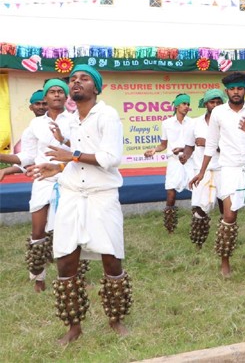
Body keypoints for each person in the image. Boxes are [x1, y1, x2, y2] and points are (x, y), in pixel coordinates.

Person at [29, 65, 131, 344]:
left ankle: (116, 319)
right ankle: (74, 327)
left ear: (96, 88)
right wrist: (58, 168)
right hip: (72, 192)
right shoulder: (72, 119)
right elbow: (75, 159)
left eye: (84, 79)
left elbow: (110, 158)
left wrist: (70, 155)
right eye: (73, 79)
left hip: (102, 194)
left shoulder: (107, 115)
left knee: (111, 259)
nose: (76, 82)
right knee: (65, 259)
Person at [190, 72, 245, 277]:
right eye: (232, 89)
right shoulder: (218, 113)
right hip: (230, 170)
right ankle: (225, 261)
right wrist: (201, 172)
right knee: (229, 215)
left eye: (240, 88)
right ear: (227, 91)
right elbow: (211, 144)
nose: (236, 92)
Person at [0, 80, 73, 293]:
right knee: (38, 231)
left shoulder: (76, 120)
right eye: (52, 91)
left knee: (71, 230)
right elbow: (27, 156)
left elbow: (82, 151)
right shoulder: (36, 125)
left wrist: (65, 141)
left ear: (66, 96)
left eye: (61, 91)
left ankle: (74, 274)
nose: (57, 95)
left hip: (70, 180)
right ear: (46, 96)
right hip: (43, 181)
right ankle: (39, 278)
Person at [182, 89, 227, 249]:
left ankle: (225, 241)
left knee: (226, 207)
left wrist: (208, 143)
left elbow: (231, 149)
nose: (215, 105)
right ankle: (198, 242)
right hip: (203, 171)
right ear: (205, 104)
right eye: (212, 102)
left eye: (218, 102)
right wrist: (184, 157)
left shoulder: (228, 123)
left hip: (224, 169)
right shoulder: (195, 123)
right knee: (201, 208)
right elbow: (189, 146)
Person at [144, 93, 194, 234]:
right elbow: (163, 145)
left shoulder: (193, 123)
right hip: (174, 162)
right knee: (171, 195)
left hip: (190, 160)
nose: (186, 106)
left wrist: (185, 151)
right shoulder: (166, 123)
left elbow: (195, 143)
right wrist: (154, 150)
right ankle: (170, 228)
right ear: (177, 105)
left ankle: (197, 225)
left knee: (196, 192)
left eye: (188, 104)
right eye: (184, 103)